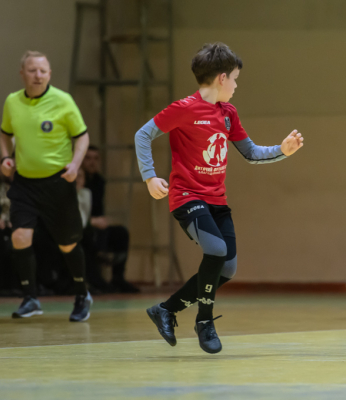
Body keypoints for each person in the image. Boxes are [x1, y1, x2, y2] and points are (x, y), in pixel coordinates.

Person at [135, 43, 304, 354]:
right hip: (187, 197)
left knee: (227, 268)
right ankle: (204, 320)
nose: (237, 86)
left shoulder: (228, 113)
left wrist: (282, 150)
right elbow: (143, 134)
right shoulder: (184, 108)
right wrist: (149, 176)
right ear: (222, 78)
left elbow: (250, 153)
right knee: (216, 250)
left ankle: (166, 310)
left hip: (217, 201)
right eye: (235, 79)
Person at [0, 51, 93, 321]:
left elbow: (82, 137)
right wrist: (5, 158)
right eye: (32, 70)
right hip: (24, 183)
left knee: (67, 244)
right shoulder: (12, 102)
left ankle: (82, 294)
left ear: (49, 74)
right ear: (22, 74)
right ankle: (30, 298)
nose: (38, 75)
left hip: (57, 183)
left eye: (43, 71)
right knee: (19, 237)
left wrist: (75, 165)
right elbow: (5, 134)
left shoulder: (63, 101)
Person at [81, 146, 139, 293]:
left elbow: (97, 208)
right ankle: (94, 280)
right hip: (80, 224)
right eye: (88, 158)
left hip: (95, 223)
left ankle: (118, 277)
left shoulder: (99, 181)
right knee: (90, 235)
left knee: (120, 233)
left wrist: (100, 221)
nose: (92, 162)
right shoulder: (77, 180)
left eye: (95, 158)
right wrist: (91, 221)